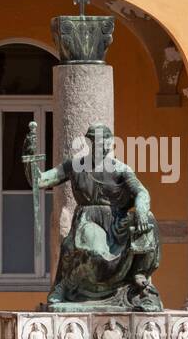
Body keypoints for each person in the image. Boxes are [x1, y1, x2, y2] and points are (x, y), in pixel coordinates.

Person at [27, 122, 163, 311]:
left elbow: (141, 192)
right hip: (89, 220)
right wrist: (29, 160)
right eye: (100, 141)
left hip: (116, 222)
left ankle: (139, 276)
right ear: (90, 142)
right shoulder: (75, 165)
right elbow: (41, 180)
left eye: (108, 140)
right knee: (95, 249)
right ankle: (65, 286)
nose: (106, 145)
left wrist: (141, 207)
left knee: (148, 220)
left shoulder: (120, 168)